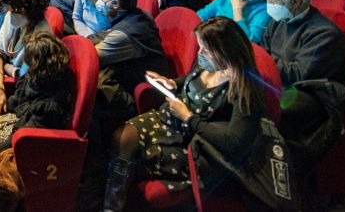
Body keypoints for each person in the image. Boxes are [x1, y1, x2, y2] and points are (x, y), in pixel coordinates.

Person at [102, 17, 266, 212]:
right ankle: (111, 207)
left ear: (225, 51)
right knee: (122, 138)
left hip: (195, 141)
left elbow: (234, 142)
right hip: (171, 119)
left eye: (205, 50)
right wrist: (172, 83)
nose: (200, 53)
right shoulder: (209, 63)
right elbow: (190, 80)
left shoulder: (245, 88)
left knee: (137, 158)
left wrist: (189, 117)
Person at [261, 0, 345, 145]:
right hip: (278, 81)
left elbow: (299, 75)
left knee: (257, 104)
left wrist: (266, 62)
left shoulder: (323, 33)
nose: (267, 3)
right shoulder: (280, 20)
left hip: (311, 94)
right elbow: (264, 48)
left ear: (294, 3)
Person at [0, 31, 73, 153]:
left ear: (37, 65)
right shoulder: (33, 77)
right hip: (12, 123)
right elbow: (13, 104)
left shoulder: (50, 105)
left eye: (29, 60)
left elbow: (24, 138)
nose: (25, 63)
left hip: (21, 143)